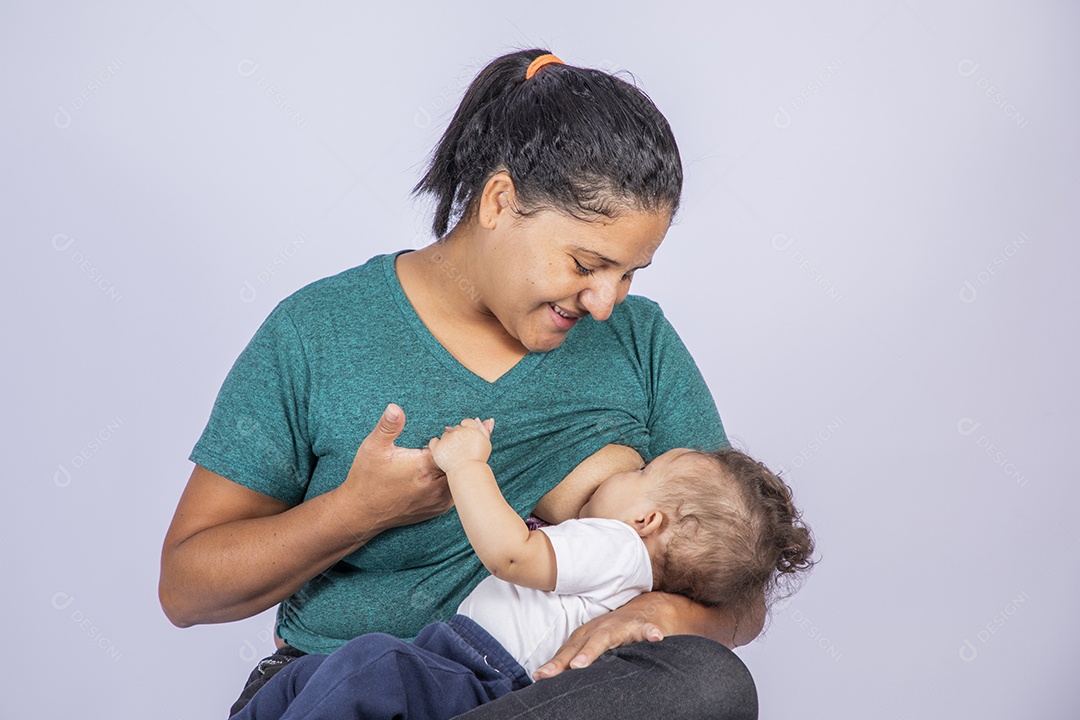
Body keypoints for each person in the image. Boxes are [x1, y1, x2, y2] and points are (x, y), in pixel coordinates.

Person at [159, 48, 765, 719]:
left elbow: (738, 590)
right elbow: (187, 587)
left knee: (708, 681)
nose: (605, 301)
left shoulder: (640, 340)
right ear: (500, 201)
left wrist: (662, 610)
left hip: (548, 696)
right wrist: (356, 511)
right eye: (586, 263)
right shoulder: (319, 330)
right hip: (350, 690)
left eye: (629, 274)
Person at [232, 418, 814, 720]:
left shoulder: (616, 547)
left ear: (648, 520)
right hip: (470, 666)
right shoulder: (631, 559)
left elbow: (512, 553)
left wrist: (467, 467)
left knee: (371, 663)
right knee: (321, 676)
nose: (622, 471)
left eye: (639, 473)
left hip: (478, 672)